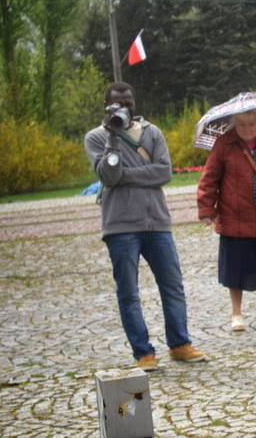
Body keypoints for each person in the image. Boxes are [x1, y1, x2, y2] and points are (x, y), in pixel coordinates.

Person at [84, 81, 206, 371]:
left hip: (157, 223)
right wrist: (113, 138)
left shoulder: (151, 132)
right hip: (119, 226)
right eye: (117, 103)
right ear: (107, 106)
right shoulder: (96, 138)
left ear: (134, 102)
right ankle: (143, 352)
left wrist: (125, 176)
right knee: (128, 292)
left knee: (172, 285)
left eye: (128, 102)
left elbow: (164, 173)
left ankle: (179, 344)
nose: (124, 108)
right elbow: (109, 176)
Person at [197, 109, 256, 331]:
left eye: (252, 125)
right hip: (234, 217)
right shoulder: (224, 144)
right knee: (235, 269)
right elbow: (209, 178)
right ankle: (236, 313)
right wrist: (206, 209)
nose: (247, 130)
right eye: (242, 125)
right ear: (234, 124)